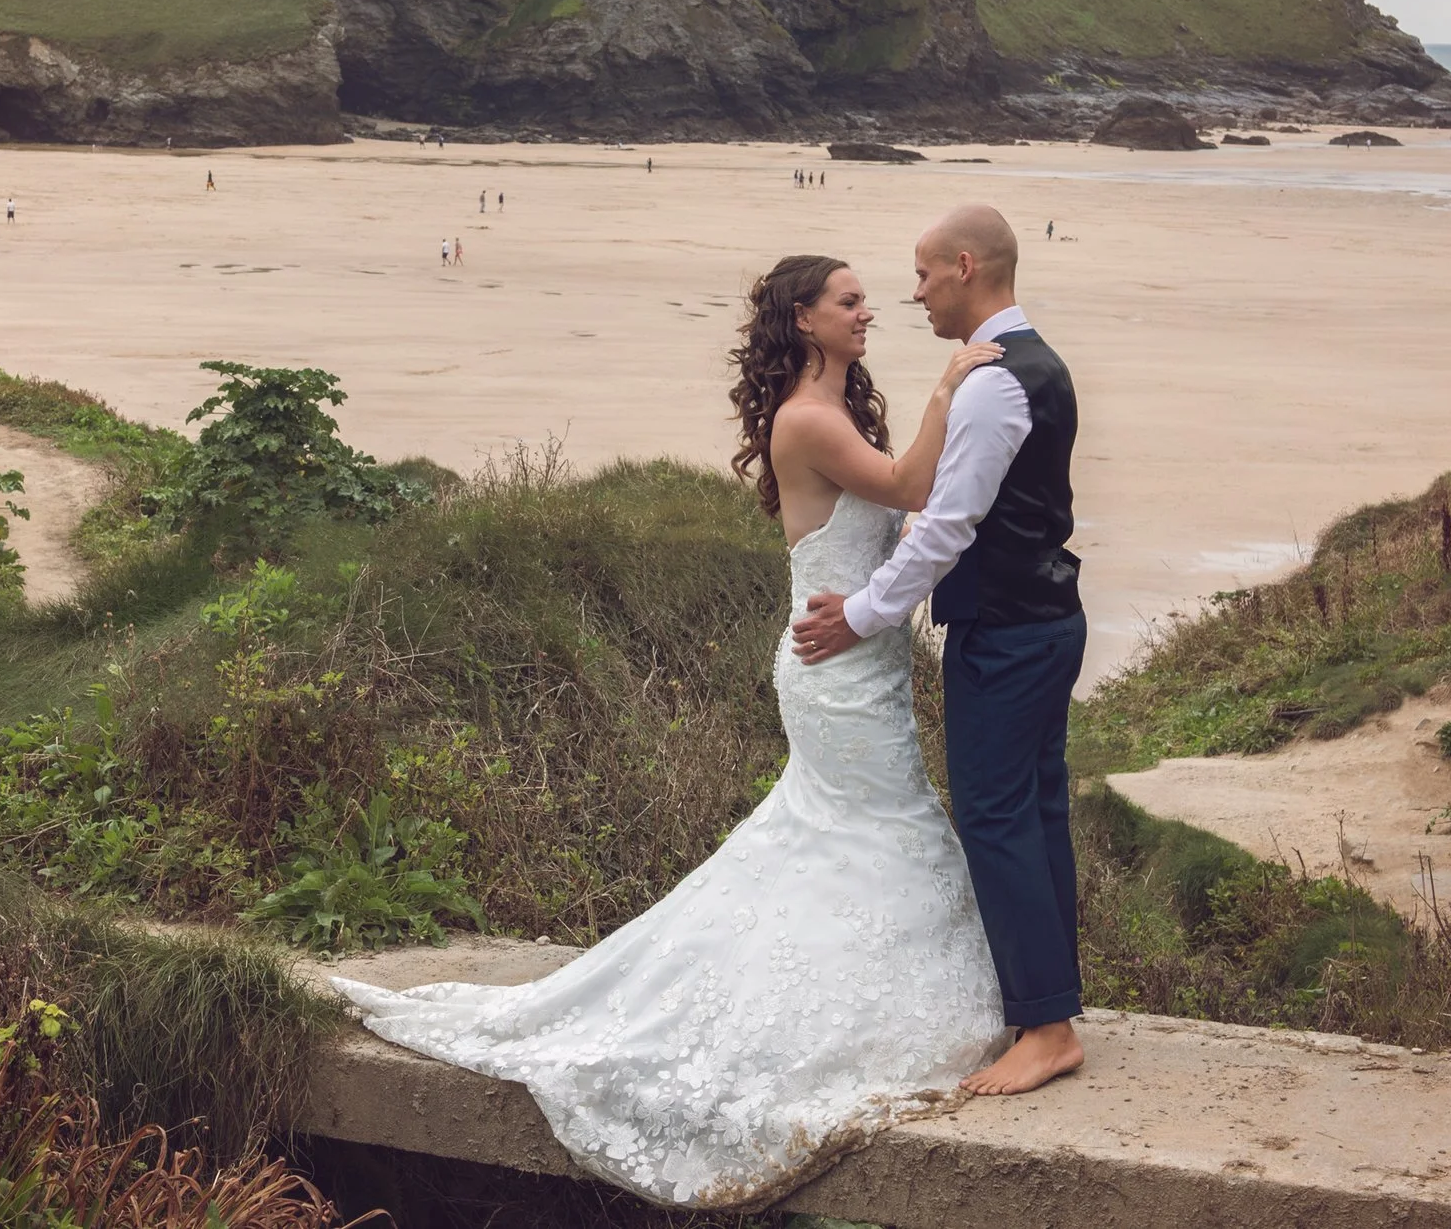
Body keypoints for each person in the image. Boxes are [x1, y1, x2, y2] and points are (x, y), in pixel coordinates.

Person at [333, 257, 1011, 1206]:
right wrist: (953, 384)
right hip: (835, 669)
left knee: (836, 836)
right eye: (850, 301)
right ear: (805, 319)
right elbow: (904, 487)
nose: (871, 312)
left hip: (855, 656)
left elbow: (891, 518)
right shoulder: (808, 418)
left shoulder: (831, 408)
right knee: (887, 827)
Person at [791, 204, 1086, 1099]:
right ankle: (1052, 1006)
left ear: (965, 266)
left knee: (997, 817)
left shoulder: (995, 381)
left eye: (923, 275)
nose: (912, 293)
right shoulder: (1041, 361)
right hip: (1047, 616)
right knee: (1037, 811)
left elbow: (945, 530)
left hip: (1006, 630)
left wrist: (867, 614)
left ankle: (1046, 1027)